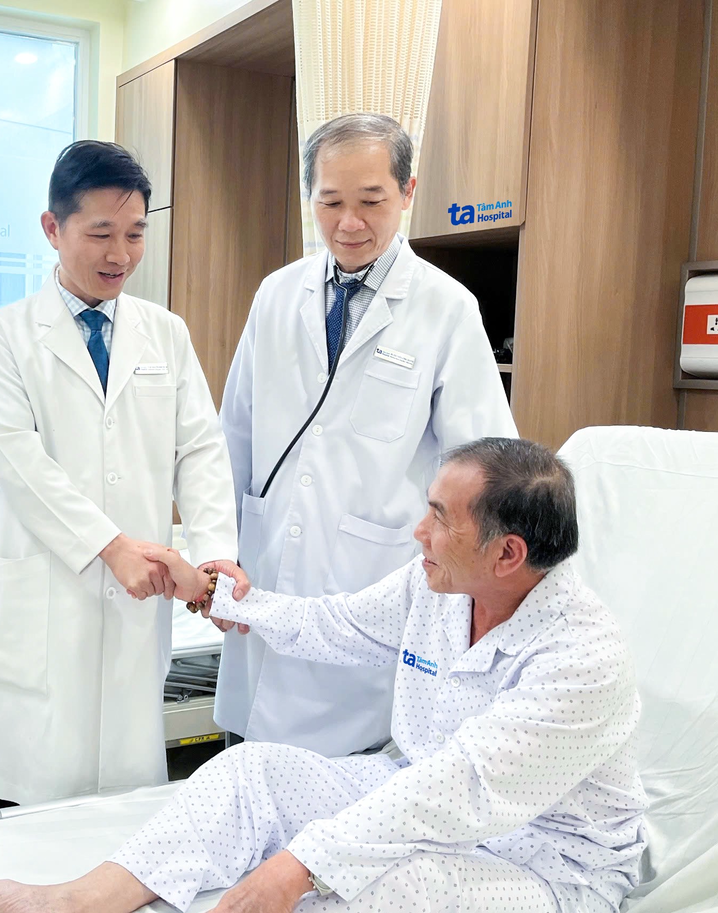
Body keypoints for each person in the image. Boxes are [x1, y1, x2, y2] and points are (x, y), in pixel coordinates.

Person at [0, 438, 647, 913]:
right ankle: (70, 904)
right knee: (253, 772)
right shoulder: (437, 586)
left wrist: (299, 864)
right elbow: (334, 624)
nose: (418, 532)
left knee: (372, 882)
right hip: (416, 793)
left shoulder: (582, 658)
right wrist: (212, 593)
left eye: (438, 518)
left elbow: (458, 788)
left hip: (547, 865)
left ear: (507, 553)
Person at [218, 113, 519, 757]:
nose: (349, 223)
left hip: (371, 581)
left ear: (407, 192)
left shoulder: (446, 309)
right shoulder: (276, 295)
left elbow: (486, 464)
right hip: (264, 573)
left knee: (348, 777)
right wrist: (219, 549)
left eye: (371, 202)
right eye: (330, 203)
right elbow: (233, 437)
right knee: (247, 767)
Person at [0, 140, 242, 805]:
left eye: (135, 234)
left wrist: (214, 556)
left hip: (136, 609)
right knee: (36, 813)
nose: (120, 254)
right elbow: (19, 463)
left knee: (124, 813)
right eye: (100, 234)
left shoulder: (165, 332)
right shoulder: (3, 335)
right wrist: (111, 547)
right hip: (48, 594)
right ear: (52, 228)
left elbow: (200, 449)